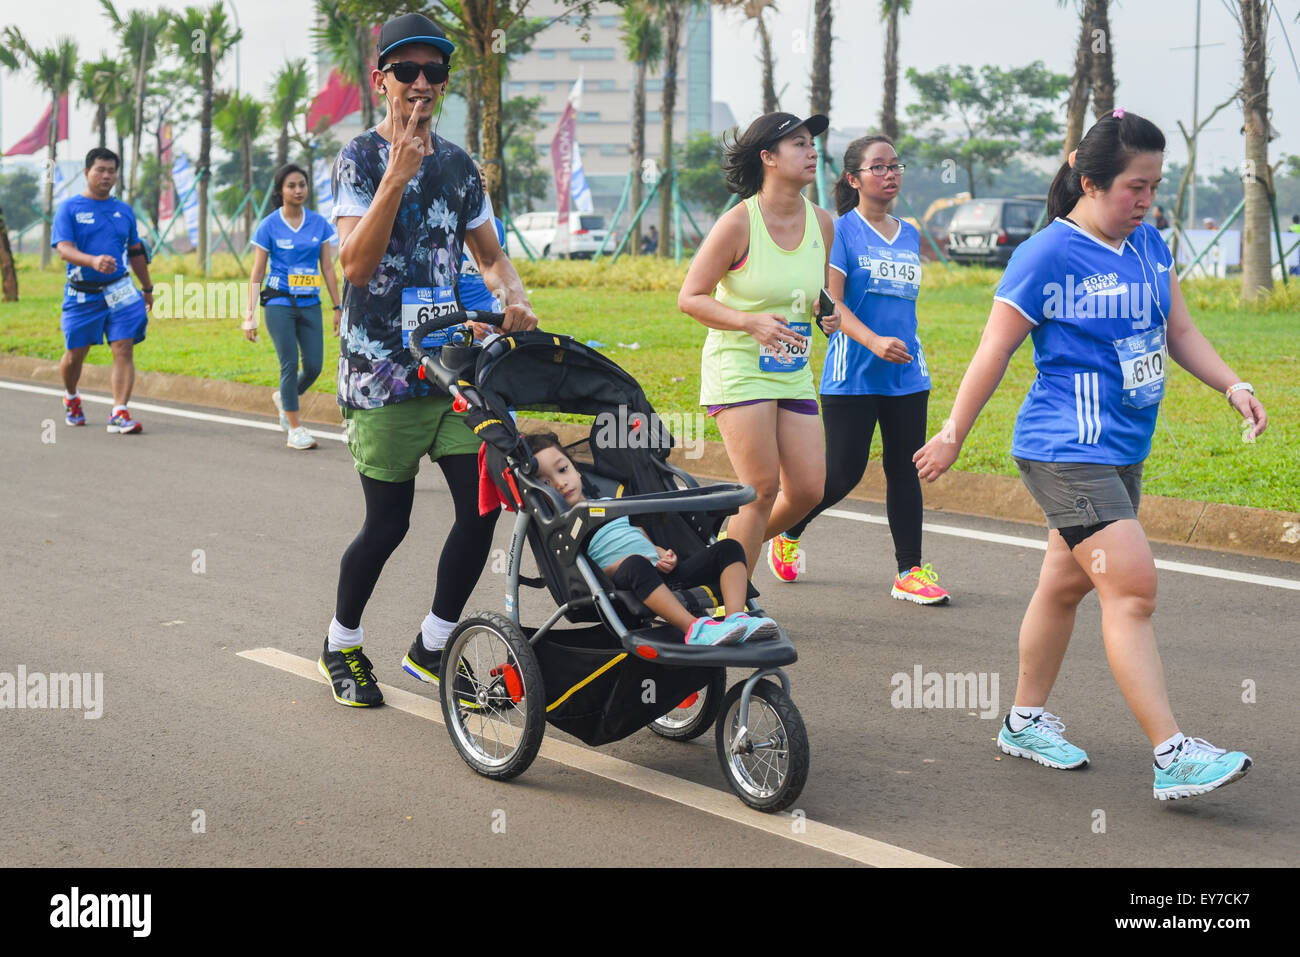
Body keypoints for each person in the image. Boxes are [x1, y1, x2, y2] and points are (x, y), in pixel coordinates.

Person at [912, 109, 1265, 800]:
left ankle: (1022, 719)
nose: (1146, 201)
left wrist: (1233, 384)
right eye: (1135, 186)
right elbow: (995, 348)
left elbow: (1178, 329)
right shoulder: (1046, 254)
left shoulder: (1148, 244)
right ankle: (1172, 754)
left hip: (1120, 448)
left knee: (1064, 581)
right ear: (1090, 181)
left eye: (1154, 187)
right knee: (1131, 586)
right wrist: (954, 430)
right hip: (1063, 450)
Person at [319, 12, 538, 707]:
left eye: (433, 72)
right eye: (406, 70)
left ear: (443, 83)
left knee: (481, 507)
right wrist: (395, 176)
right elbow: (354, 267)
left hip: (448, 368)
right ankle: (341, 641)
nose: (420, 83)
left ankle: (435, 645)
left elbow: (491, 255)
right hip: (378, 372)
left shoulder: (458, 165)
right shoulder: (357, 158)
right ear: (380, 79)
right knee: (389, 523)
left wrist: (515, 298)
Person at [767, 134, 949, 605]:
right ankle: (788, 529)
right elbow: (832, 304)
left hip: (907, 373)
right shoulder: (839, 231)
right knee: (842, 475)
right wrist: (872, 342)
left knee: (904, 469)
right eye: (879, 167)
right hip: (853, 373)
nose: (890, 175)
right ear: (854, 178)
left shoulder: (909, 232)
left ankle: (910, 570)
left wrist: (895, 346)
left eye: (896, 166)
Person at [678, 112, 840, 577]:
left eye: (812, 144)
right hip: (740, 365)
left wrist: (824, 314)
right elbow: (690, 298)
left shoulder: (821, 223)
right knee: (761, 489)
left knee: (808, 490)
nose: (811, 152)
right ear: (767, 157)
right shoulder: (737, 223)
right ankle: (734, 606)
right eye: (799, 144)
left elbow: (814, 295)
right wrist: (750, 323)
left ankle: (719, 552)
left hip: (793, 370)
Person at [526, 431, 779, 645]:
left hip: (659, 573)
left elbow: (637, 533)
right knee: (635, 564)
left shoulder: (608, 503)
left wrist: (661, 553)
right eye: (546, 482)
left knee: (729, 548)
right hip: (622, 582)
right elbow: (588, 570)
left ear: (577, 471)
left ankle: (736, 621)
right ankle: (696, 630)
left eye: (562, 470)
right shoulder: (565, 528)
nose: (560, 483)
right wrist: (631, 563)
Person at [52, 147, 154, 433]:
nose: (106, 176)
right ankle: (71, 396)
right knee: (75, 354)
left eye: (111, 171)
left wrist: (147, 287)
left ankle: (119, 412)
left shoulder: (124, 211)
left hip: (120, 288)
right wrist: (92, 260)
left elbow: (136, 252)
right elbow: (64, 249)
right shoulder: (69, 208)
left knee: (123, 346)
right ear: (86, 173)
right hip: (82, 292)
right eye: (100, 170)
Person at [243, 164, 341, 450]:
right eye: (291, 186)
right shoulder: (269, 225)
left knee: (313, 366)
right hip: (279, 301)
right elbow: (257, 272)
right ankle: (295, 428)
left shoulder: (319, 224)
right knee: (289, 364)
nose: (298, 190)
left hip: (311, 302)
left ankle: (284, 399)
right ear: (280, 191)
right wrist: (249, 314)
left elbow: (327, 267)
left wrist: (337, 307)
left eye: (302, 184)